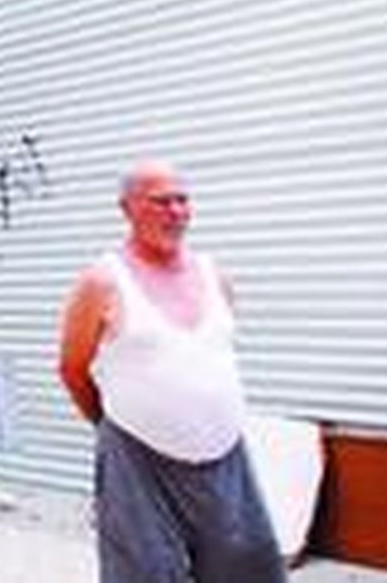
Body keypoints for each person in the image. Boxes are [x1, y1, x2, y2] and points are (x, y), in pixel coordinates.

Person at [58, 161, 285, 583]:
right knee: (147, 571)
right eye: (160, 201)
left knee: (249, 563)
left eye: (183, 200)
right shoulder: (102, 281)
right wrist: (110, 425)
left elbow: (211, 355)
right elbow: (72, 368)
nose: (176, 211)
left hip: (225, 453)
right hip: (138, 457)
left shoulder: (214, 274)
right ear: (126, 209)